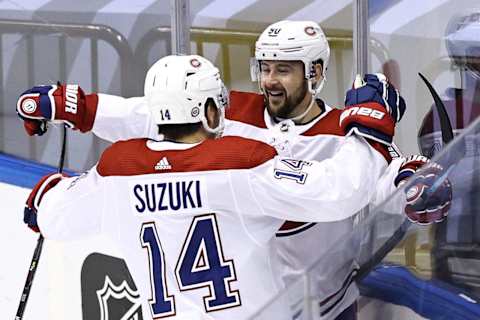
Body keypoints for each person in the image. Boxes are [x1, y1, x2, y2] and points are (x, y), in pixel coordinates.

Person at [17, 21, 450, 319]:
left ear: (316, 72)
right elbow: (152, 115)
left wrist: (410, 186)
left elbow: (383, 180)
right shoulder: (241, 139)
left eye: (283, 68)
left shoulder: (339, 130)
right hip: (262, 304)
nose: (269, 80)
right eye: (264, 67)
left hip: (322, 304)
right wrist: (80, 106)